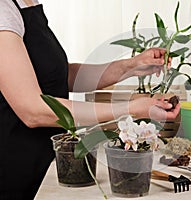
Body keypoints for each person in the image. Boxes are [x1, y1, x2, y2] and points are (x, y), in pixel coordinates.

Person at [0, 0, 180, 199]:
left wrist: (132, 66)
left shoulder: (27, 3)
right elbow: (32, 110)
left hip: (45, 162)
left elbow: (60, 76)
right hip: (13, 167)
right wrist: (132, 110)